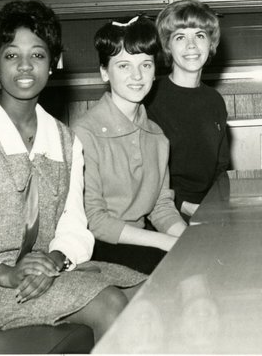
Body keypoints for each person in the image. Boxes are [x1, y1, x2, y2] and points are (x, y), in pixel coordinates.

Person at [0, 0, 145, 340]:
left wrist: (53, 260)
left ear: (54, 63)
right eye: (11, 55)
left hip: (50, 272)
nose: (25, 66)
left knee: (150, 293)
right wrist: (6, 273)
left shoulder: (66, 141)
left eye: (37, 55)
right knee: (109, 303)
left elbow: (76, 229)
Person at [73, 15, 188, 275]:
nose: (137, 76)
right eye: (124, 66)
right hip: (97, 246)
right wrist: (167, 243)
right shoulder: (84, 133)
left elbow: (161, 208)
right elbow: (94, 220)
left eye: (146, 65)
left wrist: (188, 239)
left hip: (139, 241)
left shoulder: (157, 136)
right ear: (104, 71)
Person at [146, 0, 230, 218]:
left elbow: (221, 170)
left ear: (211, 43)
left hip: (209, 210)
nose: (191, 45)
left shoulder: (215, 100)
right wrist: (186, 206)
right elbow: (146, 176)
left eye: (200, 35)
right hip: (164, 213)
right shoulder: (150, 98)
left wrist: (217, 208)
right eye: (180, 37)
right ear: (167, 45)